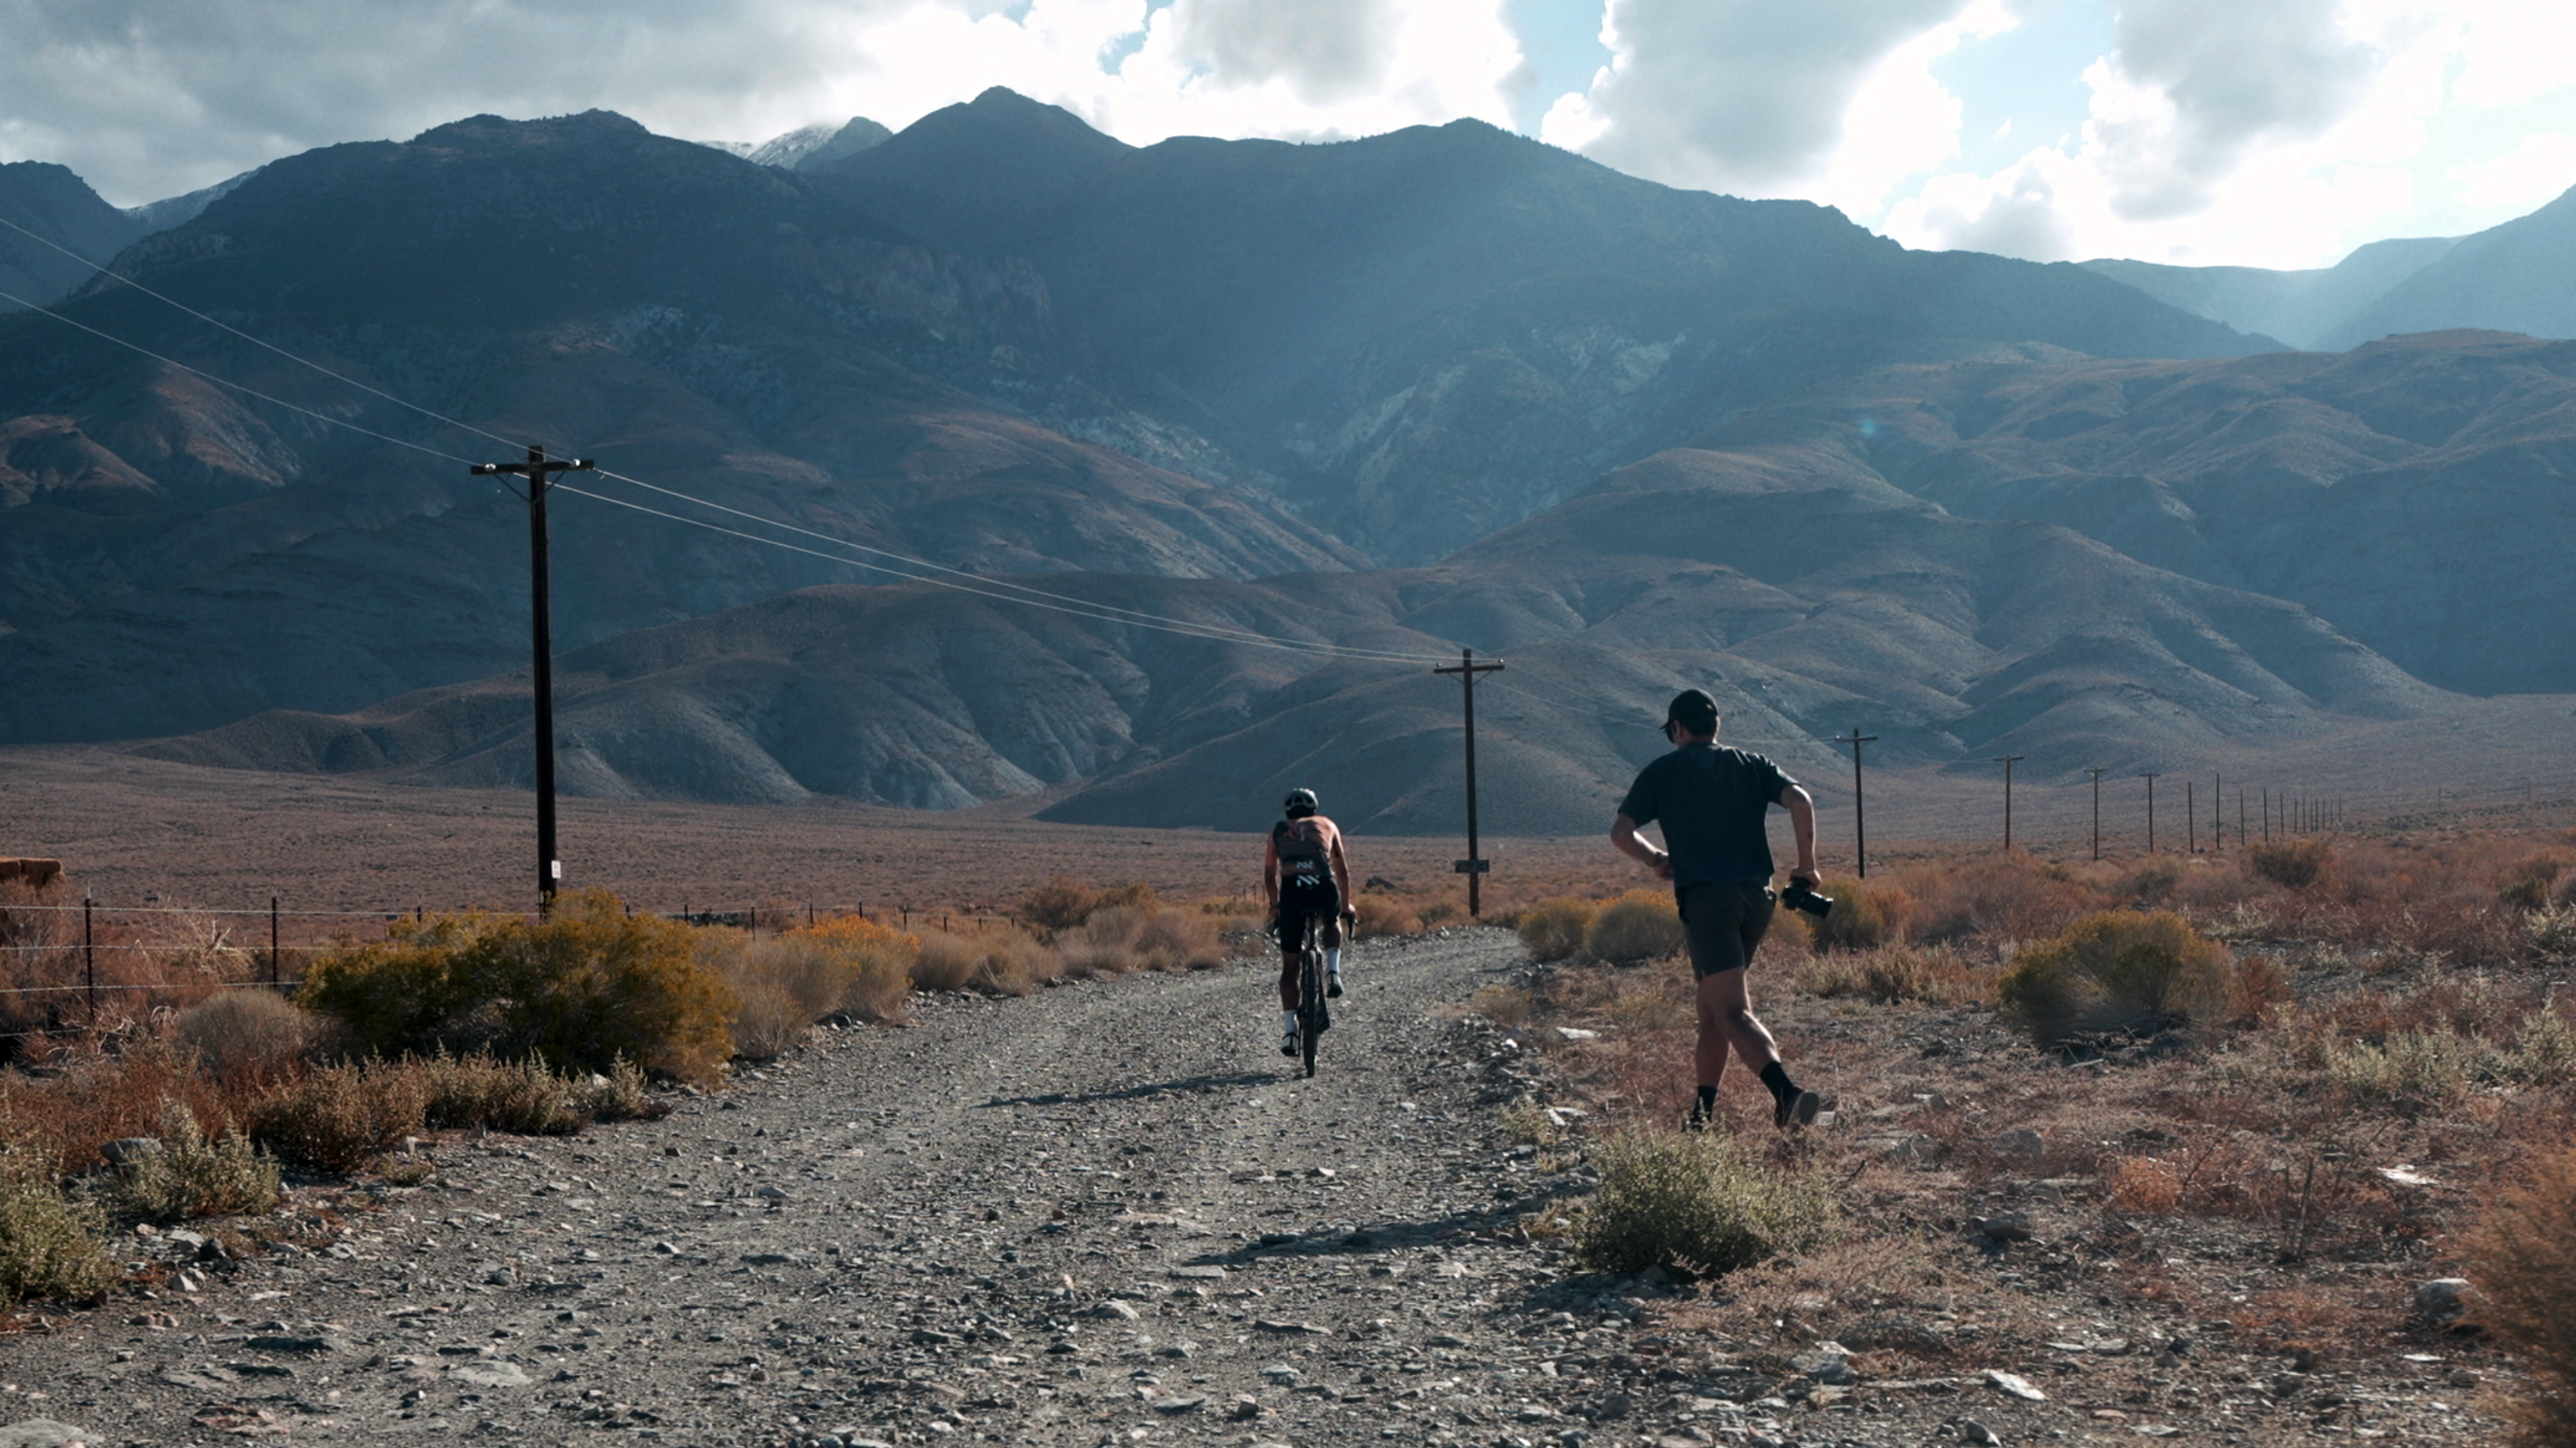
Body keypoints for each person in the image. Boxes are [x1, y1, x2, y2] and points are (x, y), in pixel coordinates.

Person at [1610, 689, 1823, 1131]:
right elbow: (1800, 801)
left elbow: (1621, 833)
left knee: (1731, 1012)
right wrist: (1807, 867)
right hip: (1756, 899)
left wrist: (1656, 861)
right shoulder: (1753, 764)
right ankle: (1701, 1116)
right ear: (1716, 727)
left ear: (1678, 729)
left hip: (1709, 902)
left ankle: (1788, 1095)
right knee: (1711, 1008)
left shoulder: (1663, 771)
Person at [1265, 787, 1354, 1057]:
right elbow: (1342, 869)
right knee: (1331, 922)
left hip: (1292, 892)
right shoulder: (1327, 824)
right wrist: (1346, 905)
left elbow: (1270, 875)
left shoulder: (1278, 829)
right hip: (1323, 886)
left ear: (1288, 811)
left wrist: (1275, 905)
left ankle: (1290, 1032)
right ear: (1314, 808)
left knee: (1290, 967)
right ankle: (1333, 971)